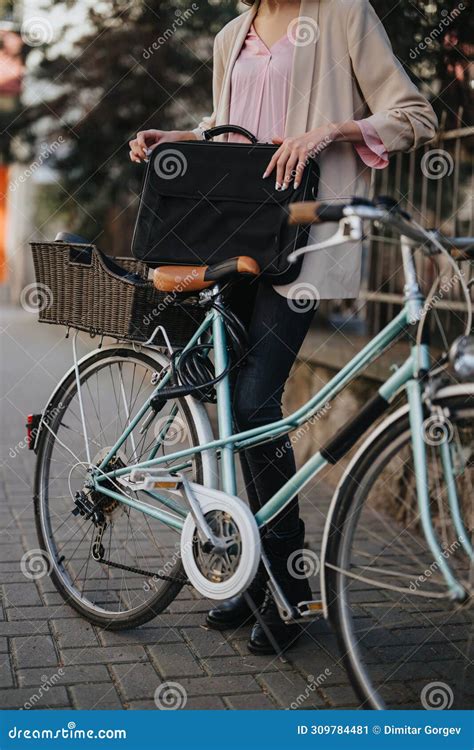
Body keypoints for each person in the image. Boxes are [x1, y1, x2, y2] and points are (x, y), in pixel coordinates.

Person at [129, 0, 437, 654]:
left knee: (255, 402)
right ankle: (254, 574)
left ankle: (291, 590)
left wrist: (330, 131)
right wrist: (178, 140)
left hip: (302, 246)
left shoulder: (344, 14)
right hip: (232, 240)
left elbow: (414, 115)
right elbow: (230, 129)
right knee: (237, 416)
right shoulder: (230, 35)